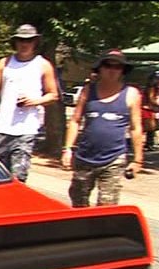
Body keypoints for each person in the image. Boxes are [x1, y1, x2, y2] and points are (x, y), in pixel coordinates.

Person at [0, 24, 59, 183]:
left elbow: (53, 95)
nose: (24, 44)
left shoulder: (43, 64)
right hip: (2, 127)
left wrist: (35, 101)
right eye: (20, 40)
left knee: (18, 176)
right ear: (15, 42)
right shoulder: (5, 62)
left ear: (35, 42)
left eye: (28, 40)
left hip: (26, 129)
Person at [61, 49, 144, 207]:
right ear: (100, 68)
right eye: (107, 65)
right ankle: (83, 228)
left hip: (114, 158)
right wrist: (68, 149)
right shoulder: (88, 91)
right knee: (78, 198)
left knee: (107, 205)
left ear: (123, 71)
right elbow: (75, 120)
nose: (112, 70)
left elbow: (136, 128)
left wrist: (137, 160)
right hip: (85, 156)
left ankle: (102, 230)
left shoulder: (131, 94)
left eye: (117, 67)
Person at [142, 70, 159, 151]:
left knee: (153, 127)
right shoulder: (151, 87)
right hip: (147, 108)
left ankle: (150, 143)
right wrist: (158, 105)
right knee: (149, 127)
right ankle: (149, 144)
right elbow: (151, 98)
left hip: (151, 108)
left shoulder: (156, 87)